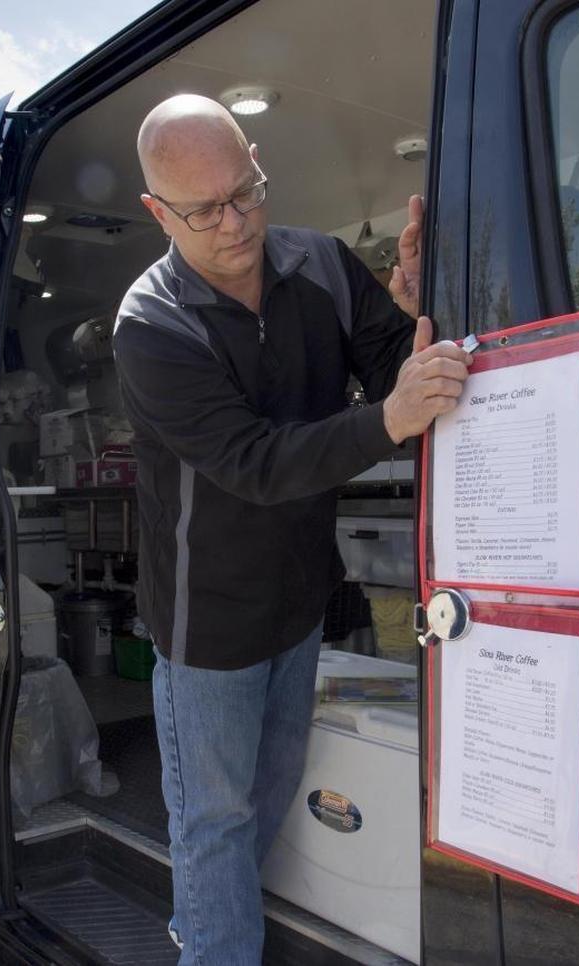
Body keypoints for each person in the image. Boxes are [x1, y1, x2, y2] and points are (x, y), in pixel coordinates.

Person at [112, 94, 471, 964]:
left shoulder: (320, 262)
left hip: (300, 600)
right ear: (159, 213)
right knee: (214, 821)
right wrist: (386, 419)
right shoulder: (151, 325)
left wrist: (425, 309)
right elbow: (255, 462)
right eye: (204, 212)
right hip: (208, 628)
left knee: (264, 799)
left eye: (246, 191)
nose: (235, 224)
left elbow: (398, 366)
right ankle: (211, 943)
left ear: (257, 161)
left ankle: (212, 921)